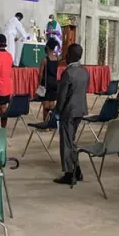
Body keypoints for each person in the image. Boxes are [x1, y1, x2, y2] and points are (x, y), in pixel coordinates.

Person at [53, 43, 89, 185]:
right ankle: (77, 169)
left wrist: (57, 111)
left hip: (68, 110)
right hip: (80, 109)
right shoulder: (85, 71)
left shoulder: (67, 73)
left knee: (66, 142)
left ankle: (69, 173)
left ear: (70, 56)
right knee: (71, 140)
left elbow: (62, 96)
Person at [38, 38, 59, 122]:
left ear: (47, 47)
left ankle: (46, 125)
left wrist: (39, 84)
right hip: (54, 83)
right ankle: (51, 124)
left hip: (46, 83)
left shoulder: (45, 60)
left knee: (45, 107)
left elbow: (40, 74)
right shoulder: (56, 59)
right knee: (52, 105)